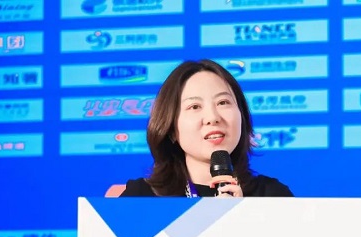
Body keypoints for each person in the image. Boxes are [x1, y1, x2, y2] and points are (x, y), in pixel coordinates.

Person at [119, 59, 293, 198]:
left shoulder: (273, 198)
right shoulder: (141, 199)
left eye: (223, 102)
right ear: (171, 129)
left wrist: (240, 215)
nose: (212, 117)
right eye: (195, 106)